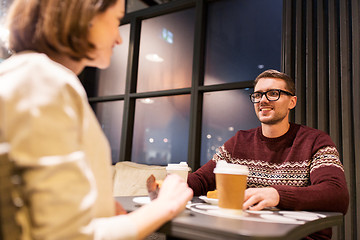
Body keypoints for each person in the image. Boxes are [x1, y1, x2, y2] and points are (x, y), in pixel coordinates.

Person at [0, 0, 193, 239]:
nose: (119, 37)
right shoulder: (43, 79)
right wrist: (164, 207)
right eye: (116, 19)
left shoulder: (27, 74)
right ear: (84, 13)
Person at [188, 69, 349, 240]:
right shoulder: (240, 141)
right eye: (257, 95)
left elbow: (337, 195)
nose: (263, 100)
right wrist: (169, 181)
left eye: (273, 93)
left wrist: (277, 195)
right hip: (248, 233)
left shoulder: (315, 141)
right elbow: (201, 180)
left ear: (292, 102)